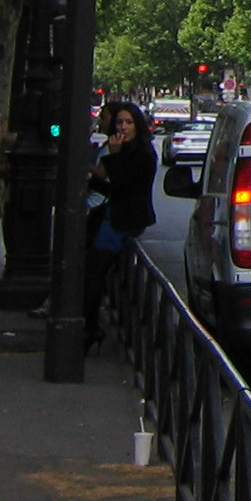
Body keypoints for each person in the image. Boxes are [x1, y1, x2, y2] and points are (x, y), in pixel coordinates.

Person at [84, 102, 156, 349]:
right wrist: (92, 180)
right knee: (91, 271)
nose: (123, 127)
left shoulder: (142, 153)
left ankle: (91, 328)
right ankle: (91, 325)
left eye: (128, 122)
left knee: (94, 273)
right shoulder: (124, 149)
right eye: (119, 122)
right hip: (115, 214)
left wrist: (114, 155)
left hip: (125, 220)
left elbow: (124, 184)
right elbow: (113, 186)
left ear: (137, 125)